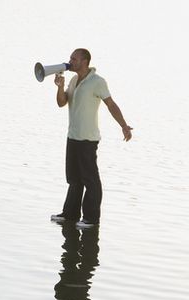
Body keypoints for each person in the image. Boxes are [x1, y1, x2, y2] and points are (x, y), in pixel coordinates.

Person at [49, 48, 132, 229]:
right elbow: (62, 103)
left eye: (74, 58)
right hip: (72, 137)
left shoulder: (97, 81)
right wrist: (60, 87)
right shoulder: (73, 80)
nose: (70, 61)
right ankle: (70, 215)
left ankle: (91, 219)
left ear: (85, 61)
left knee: (91, 180)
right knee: (74, 179)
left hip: (88, 139)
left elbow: (111, 104)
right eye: (70, 58)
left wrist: (124, 126)